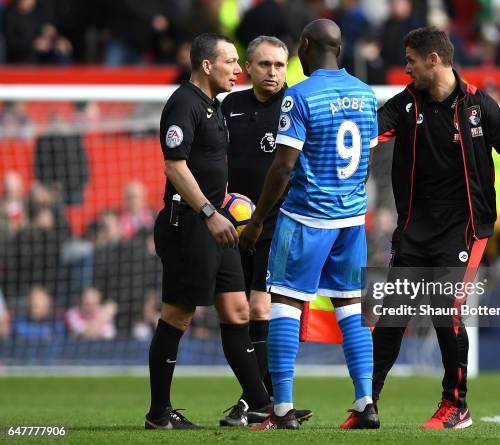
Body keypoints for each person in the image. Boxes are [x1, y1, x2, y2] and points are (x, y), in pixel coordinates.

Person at [373, 26, 500, 429]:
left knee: (443, 308)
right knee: (392, 314)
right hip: (414, 227)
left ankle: (456, 404)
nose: (406, 68)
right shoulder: (404, 105)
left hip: (465, 228)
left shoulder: (480, 106)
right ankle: (367, 400)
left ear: (434, 60)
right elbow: (368, 131)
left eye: (411, 60)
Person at [241, 19, 380, 430]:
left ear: (305, 46)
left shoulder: (299, 97)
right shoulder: (365, 94)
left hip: (305, 217)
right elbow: (366, 160)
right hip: (352, 219)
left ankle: (281, 407)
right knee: (351, 307)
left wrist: (257, 221)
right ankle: (366, 402)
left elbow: (282, 167)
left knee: (284, 303)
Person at [145, 32, 270, 429]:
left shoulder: (213, 107)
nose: (238, 69)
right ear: (206, 65)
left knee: (238, 311)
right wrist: (209, 212)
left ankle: (263, 406)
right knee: (178, 316)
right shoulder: (184, 103)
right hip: (191, 223)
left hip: (218, 224)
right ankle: (159, 414)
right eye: (231, 61)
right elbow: (174, 167)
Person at [220, 35, 311, 426]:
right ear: (249, 68)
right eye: (264, 65)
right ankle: (262, 400)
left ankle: (253, 402)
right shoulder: (230, 106)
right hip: (232, 225)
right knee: (236, 313)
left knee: (263, 309)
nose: (272, 72)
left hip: (281, 225)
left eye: (278, 65)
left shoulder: (296, 105)